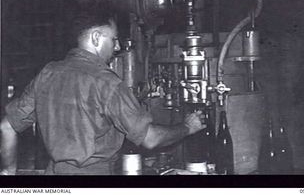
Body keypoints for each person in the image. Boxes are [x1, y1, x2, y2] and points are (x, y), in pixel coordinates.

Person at [0, 12, 206, 175]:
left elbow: (6, 126)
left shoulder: (48, 73)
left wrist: (8, 173)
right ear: (96, 37)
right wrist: (187, 127)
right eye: (114, 39)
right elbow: (150, 139)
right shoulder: (107, 82)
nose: (117, 47)